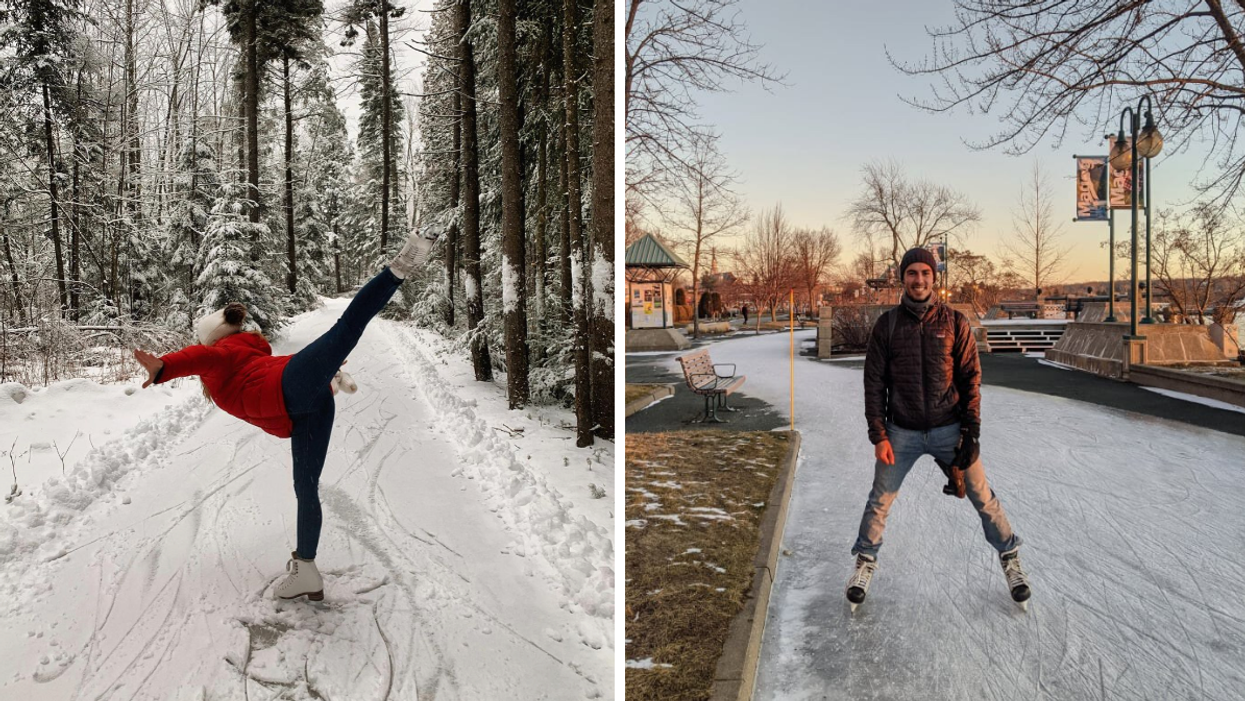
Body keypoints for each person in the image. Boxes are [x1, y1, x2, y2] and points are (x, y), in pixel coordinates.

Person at [133, 230, 436, 602]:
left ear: (212, 338)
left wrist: (164, 367)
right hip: (307, 408)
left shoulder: (222, 355)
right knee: (305, 488)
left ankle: (400, 266)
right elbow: (268, 372)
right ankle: (306, 569)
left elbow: (202, 357)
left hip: (294, 392)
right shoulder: (244, 354)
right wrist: (324, 373)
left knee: (347, 328)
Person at [845, 247, 1030, 611]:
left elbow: (970, 379)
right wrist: (878, 435)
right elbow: (874, 383)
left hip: (949, 428)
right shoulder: (887, 325)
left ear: (934, 277)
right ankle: (865, 562)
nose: (919, 280)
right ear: (903, 278)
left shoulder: (955, 322)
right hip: (902, 431)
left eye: (925, 273)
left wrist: (971, 432)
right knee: (880, 500)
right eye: (912, 273)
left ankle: (1010, 558)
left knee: (982, 496)